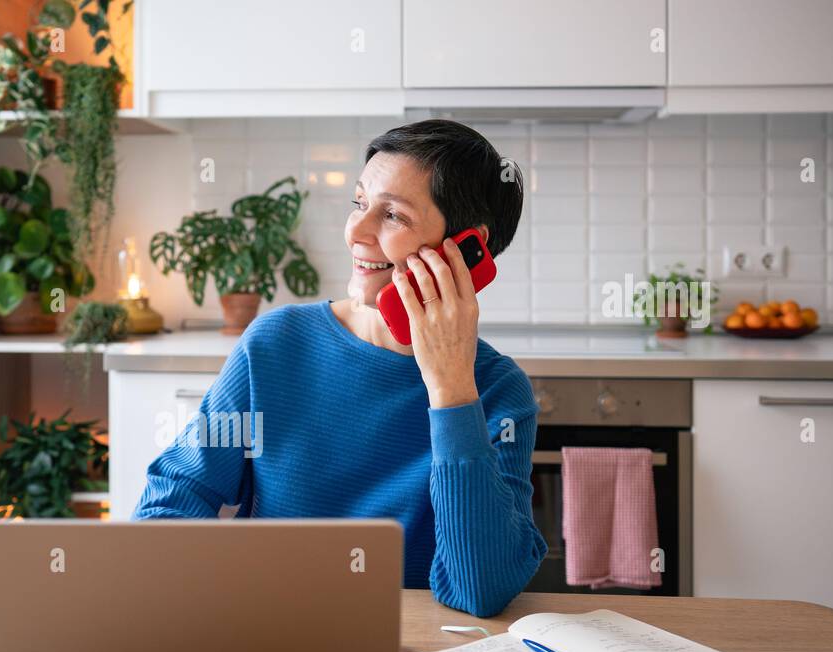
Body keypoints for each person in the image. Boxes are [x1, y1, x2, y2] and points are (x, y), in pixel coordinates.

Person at [133, 120, 547, 618]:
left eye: (392, 214)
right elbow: (172, 503)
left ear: (463, 248)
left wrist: (451, 388)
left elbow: (478, 589)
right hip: (269, 634)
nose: (356, 230)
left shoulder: (498, 392)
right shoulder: (275, 347)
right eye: (359, 203)